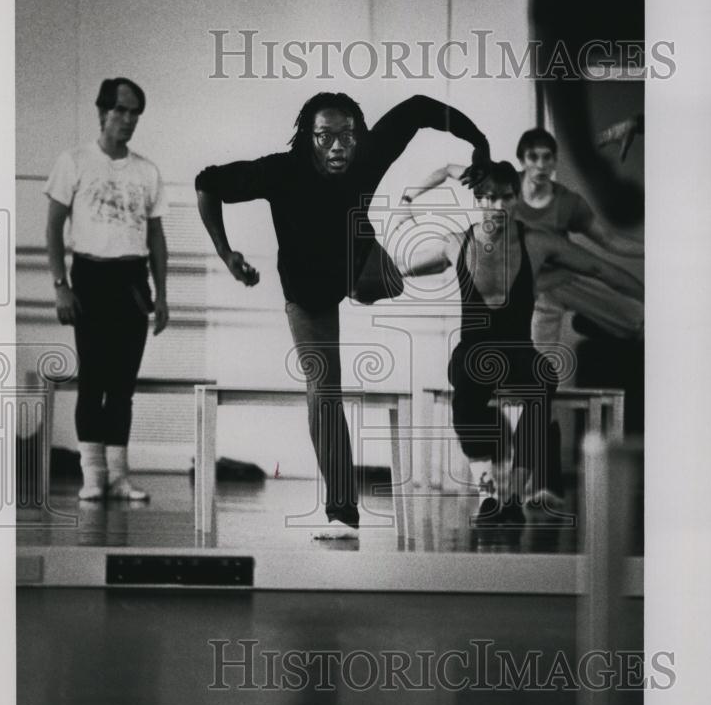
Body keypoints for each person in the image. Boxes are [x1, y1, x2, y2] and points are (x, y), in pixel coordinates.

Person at [195, 92, 491, 536]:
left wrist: (480, 143)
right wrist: (226, 253)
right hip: (307, 293)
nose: (338, 147)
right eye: (326, 137)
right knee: (324, 391)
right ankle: (342, 512)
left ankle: (363, 283)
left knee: (394, 282)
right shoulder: (280, 170)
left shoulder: (367, 153)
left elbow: (419, 109)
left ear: (359, 138)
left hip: (358, 261)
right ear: (308, 139)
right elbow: (207, 183)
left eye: (347, 137)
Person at [394, 162, 643, 526]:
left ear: (516, 200)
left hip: (517, 351)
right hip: (473, 351)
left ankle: (513, 489)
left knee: (543, 380)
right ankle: (489, 493)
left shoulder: (537, 243)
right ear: (478, 199)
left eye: (506, 198)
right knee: (466, 390)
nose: (497, 206)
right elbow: (400, 269)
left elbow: (599, 269)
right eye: (489, 198)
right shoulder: (455, 243)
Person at [401, 127, 644, 347]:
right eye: (533, 158)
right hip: (531, 290)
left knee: (635, 321)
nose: (540, 165)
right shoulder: (500, 183)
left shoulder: (569, 203)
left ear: (554, 162)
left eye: (547, 158)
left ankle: (602, 324)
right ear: (522, 161)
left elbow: (608, 241)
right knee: (536, 362)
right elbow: (447, 170)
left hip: (561, 279)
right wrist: (407, 199)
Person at [46, 77, 169, 502]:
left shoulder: (146, 170)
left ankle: (118, 476)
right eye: (121, 110)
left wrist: (163, 295)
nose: (128, 119)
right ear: (102, 112)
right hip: (90, 278)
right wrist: (61, 285)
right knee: (93, 380)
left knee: (122, 385)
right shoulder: (75, 161)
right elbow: (53, 226)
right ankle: (93, 476)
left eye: (135, 112)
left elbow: (155, 236)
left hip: (132, 281)